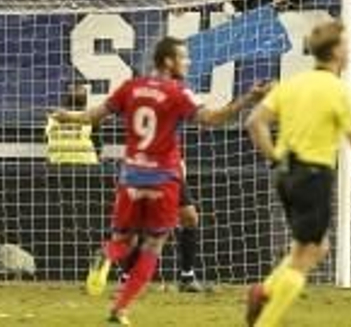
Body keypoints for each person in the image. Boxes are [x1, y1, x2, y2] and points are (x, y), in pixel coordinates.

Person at [50, 37, 264, 326]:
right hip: (163, 179)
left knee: (123, 241)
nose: (187, 63)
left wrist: (68, 117)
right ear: (167, 61)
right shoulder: (178, 94)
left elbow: (93, 116)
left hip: (131, 175)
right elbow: (213, 119)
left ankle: (107, 253)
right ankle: (120, 309)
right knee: (153, 244)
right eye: (183, 58)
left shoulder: (131, 87)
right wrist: (247, 100)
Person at [244, 21, 351, 327]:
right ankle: (265, 322)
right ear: (337, 50)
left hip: (286, 175)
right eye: (346, 42)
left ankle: (265, 290)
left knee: (313, 246)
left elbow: (255, 122)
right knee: (306, 256)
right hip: (313, 174)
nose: (349, 48)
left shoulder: (293, 83)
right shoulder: (339, 89)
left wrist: (273, 156)